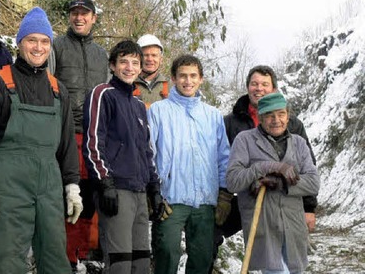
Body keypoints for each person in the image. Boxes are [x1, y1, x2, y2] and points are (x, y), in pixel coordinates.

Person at [0, 6, 82, 274]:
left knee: (55, 257)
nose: (38, 47)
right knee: (9, 257)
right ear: (20, 43)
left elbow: (66, 145)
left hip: (49, 185)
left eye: (44, 41)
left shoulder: (58, 90)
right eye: (32, 40)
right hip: (9, 185)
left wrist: (72, 186)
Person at [212, 65, 318, 272]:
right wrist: (263, 167)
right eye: (269, 115)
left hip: (292, 220)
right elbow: (233, 179)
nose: (276, 120)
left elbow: (313, 181)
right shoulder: (244, 139)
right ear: (260, 117)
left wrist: (280, 183)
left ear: (288, 116)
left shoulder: (298, 142)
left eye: (280, 114)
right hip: (262, 221)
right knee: (276, 270)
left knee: (294, 270)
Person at [83, 40, 165, 273]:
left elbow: (146, 151)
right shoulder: (102, 94)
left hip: (139, 191)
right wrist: (105, 183)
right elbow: (93, 142)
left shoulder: (139, 105)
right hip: (116, 189)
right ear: (112, 65)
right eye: (123, 62)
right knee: (120, 263)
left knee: (140, 262)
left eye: (135, 63)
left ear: (140, 69)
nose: (129, 67)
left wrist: (155, 189)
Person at [147, 54, 230, 274]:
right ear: (173, 78)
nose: (188, 81)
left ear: (201, 79)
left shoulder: (212, 116)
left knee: (202, 256)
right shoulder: (158, 111)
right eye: (182, 76)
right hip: (170, 199)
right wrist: (152, 191)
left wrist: (224, 194)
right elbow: (149, 153)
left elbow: (224, 157)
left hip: (205, 199)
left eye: (193, 76)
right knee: (166, 251)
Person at [52, 0, 109, 268]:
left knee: (89, 196)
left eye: (84, 13)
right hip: (66, 132)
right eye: (74, 13)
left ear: (93, 18)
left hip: (94, 136)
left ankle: (85, 255)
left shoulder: (102, 54)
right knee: (67, 195)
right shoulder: (57, 46)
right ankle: (64, 257)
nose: (79, 17)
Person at [134, 34, 170, 108]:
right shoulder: (127, 84)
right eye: (146, 55)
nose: (150, 59)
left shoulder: (171, 87)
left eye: (154, 55)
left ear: (161, 59)